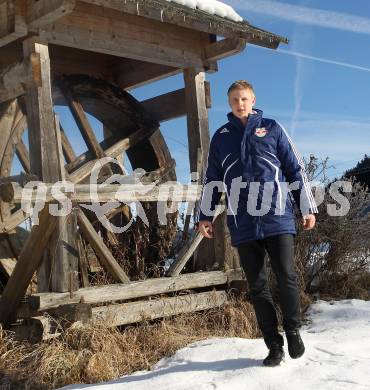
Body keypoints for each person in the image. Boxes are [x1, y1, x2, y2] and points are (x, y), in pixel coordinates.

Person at [197, 80, 317, 367]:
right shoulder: (221, 137)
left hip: (278, 217)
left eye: (244, 99)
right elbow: (212, 180)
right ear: (230, 103)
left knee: (286, 276)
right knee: (257, 286)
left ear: (253, 100)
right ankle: (273, 345)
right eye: (235, 99)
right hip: (243, 223)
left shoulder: (273, 128)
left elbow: (294, 169)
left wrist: (306, 207)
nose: (240, 103)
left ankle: (292, 329)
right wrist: (205, 214)